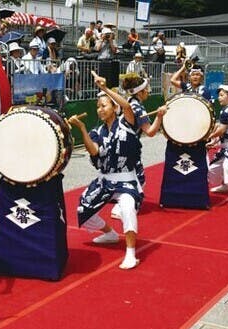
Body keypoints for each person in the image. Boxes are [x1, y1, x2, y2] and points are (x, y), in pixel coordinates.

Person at [69, 73, 142, 270]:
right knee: (83, 211)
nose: (100, 109)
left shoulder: (126, 122)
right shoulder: (97, 131)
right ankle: (110, 233)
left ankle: (131, 253)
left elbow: (127, 107)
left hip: (126, 179)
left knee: (127, 207)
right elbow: (94, 151)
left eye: (104, 105)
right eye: (98, 106)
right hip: (105, 180)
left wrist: (104, 88)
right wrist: (82, 129)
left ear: (114, 107)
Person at [110, 73, 167, 220]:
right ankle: (121, 208)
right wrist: (159, 116)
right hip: (129, 146)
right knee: (138, 179)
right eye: (146, 88)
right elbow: (150, 132)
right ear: (140, 92)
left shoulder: (128, 102)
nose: (148, 91)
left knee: (127, 175)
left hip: (119, 143)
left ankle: (118, 201)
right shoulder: (138, 108)